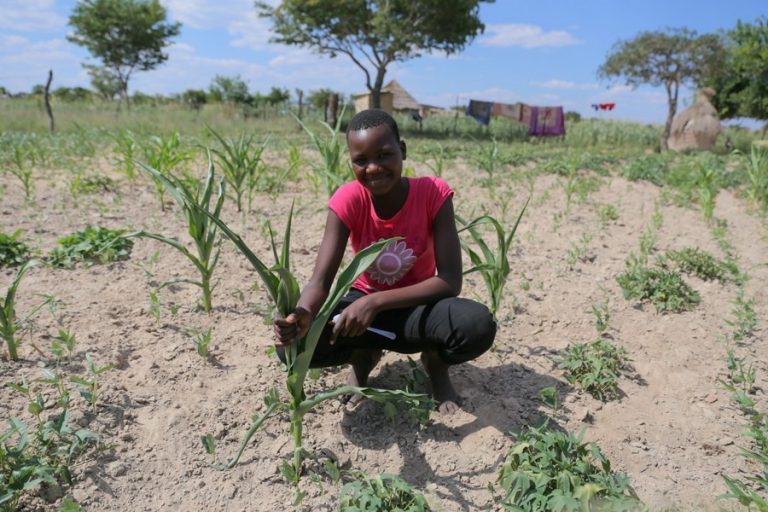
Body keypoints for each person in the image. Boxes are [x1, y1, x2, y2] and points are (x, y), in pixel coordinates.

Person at [273, 109, 496, 414]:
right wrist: (303, 313)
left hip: (419, 308)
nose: (373, 168)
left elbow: (449, 281)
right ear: (351, 161)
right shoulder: (348, 199)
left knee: (476, 324)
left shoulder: (433, 194)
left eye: (384, 154)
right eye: (361, 160)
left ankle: (436, 363)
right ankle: (362, 356)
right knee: (291, 347)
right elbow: (320, 281)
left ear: (402, 151)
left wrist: (376, 302)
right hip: (362, 313)